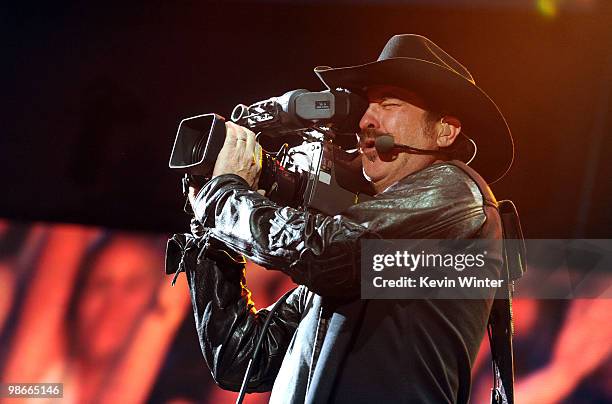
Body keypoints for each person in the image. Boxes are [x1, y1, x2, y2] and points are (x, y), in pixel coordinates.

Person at [167, 34, 515, 403]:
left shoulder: (456, 191)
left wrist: (225, 196)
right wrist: (212, 238)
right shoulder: (365, 254)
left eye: (389, 103)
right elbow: (240, 358)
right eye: (368, 105)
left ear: (445, 130)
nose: (366, 119)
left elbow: (323, 252)